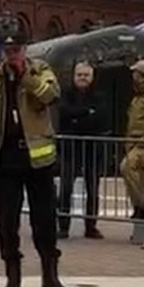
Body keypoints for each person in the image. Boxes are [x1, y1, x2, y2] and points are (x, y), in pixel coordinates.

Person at [0, 36, 66, 287]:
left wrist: (25, 76)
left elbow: (51, 95)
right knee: (7, 221)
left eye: (17, 50)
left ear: (25, 50)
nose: (12, 56)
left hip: (39, 160)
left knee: (45, 220)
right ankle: (13, 276)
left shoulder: (40, 70)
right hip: (6, 159)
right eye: (8, 50)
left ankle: (50, 276)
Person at [56, 60, 110, 239]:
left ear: (92, 76)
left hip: (93, 148)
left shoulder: (100, 94)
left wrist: (77, 117)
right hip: (70, 148)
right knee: (65, 187)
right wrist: (87, 113)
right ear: (73, 76)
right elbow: (64, 112)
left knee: (93, 188)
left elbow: (101, 116)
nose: (82, 78)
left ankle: (91, 226)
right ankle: (63, 226)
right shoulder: (66, 93)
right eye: (79, 75)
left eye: (86, 75)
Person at [120, 59, 144, 221]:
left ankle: (142, 207)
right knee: (140, 179)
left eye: (137, 74)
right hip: (133, 142)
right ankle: (141, 210)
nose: (134, 77)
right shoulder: (138, 97)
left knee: (127, 167)